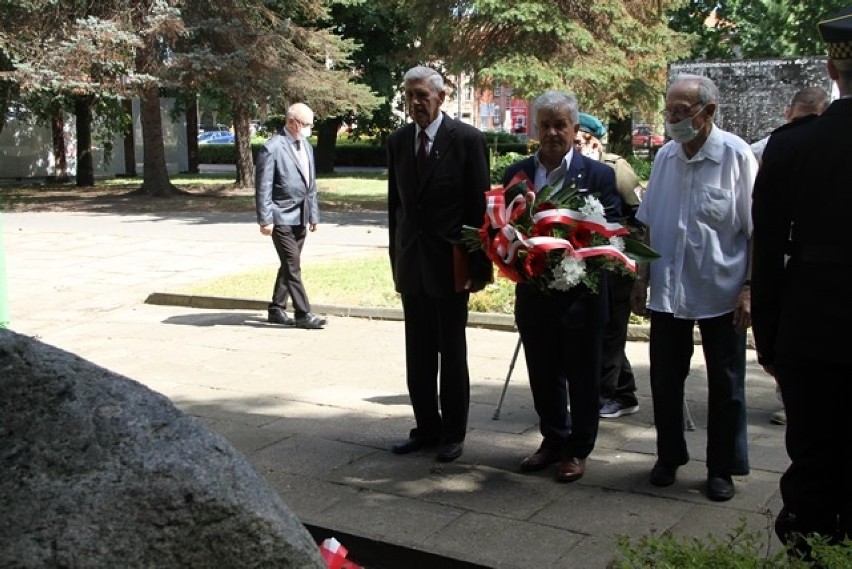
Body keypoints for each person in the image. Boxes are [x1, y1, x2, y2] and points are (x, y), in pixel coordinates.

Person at [751, 6, 852, 552]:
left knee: (813, 462)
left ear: (833, 72)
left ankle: (812, 555)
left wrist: (769, 338)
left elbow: (765, 251)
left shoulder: (790, 145)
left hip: (810, 328)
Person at [630, 74, 757, 502]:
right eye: (668, 112)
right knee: (665, 380)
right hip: (669, 290)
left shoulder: (736, 157)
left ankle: (722, 467)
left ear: (709, 112)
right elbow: (649, 222)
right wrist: (641, 277)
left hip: (721, 292)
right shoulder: (666, 157)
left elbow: (757, 231)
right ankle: (669, 456)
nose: (672, 121)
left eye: (681, 113)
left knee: (726, 385)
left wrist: (749, 289)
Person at [505, 92, 622, 483]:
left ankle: (578, 449)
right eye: (546, 125)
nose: (553, 132)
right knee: (542, 373)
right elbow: (505, 228)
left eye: (561, 125)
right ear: (536, 129)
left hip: (582, 299)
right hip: (535, 296)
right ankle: (553, 439)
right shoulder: (517, 175)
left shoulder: (599, 176)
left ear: (575, 129)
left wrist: (574, 254)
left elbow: (615, 230)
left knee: (583, 377)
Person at [386, 66, 493, 463]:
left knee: (451, 352)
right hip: (412, 265)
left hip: (451, 267)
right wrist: (396, 259)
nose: (415, 103)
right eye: (410, 95)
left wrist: (479, 269)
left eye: (422, 96)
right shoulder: (398, 142)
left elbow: (478, 209)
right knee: (418, 353)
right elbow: (395, 208)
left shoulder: (466, 140)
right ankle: (425, 428)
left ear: (441, 97)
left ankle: (453, 433)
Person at [750, 85, 831, 427]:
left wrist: (767, 342)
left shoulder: (788, 144)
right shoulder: (768, 149)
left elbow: (766, 232)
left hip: (804, 279)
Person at [575, 113, 644, 420]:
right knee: (600, 330)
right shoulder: (570, 168)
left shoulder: (617, 169)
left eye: (580, 142)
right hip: (585, 259)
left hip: (617, 258)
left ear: (594, 140)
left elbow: (641, 214)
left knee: (612, 328)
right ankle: (624, 391)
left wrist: (633, 260)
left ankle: (605, 395)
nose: (575, 147)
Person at [255, 102, 327, 330]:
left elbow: (311, 184)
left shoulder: (306, 146)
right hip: (280, 216)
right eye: (306, 124)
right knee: (292, 265)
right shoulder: (273, 147)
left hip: (301, 215)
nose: (308, 129)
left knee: (289, 265)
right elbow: (263, 186)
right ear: (292, 122)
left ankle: (276, 309)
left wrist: (314, 215)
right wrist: (265, 219)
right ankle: (303, 313)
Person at [750, 86, 831, 165]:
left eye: (809, 122)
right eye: (798, 122)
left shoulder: (833, 153)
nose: (802, 129)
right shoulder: (757, 153)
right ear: (787, 113)